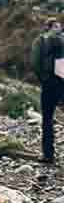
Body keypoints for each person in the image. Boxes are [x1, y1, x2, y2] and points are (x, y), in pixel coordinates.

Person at [31, 18, 64, 169]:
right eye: (58, 26)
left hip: (49, 83)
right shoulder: (62, 40)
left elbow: (35, 63)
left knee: (47, 119)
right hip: (62, 83)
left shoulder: (40, 41)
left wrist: (43, 78)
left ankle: (48, 155)